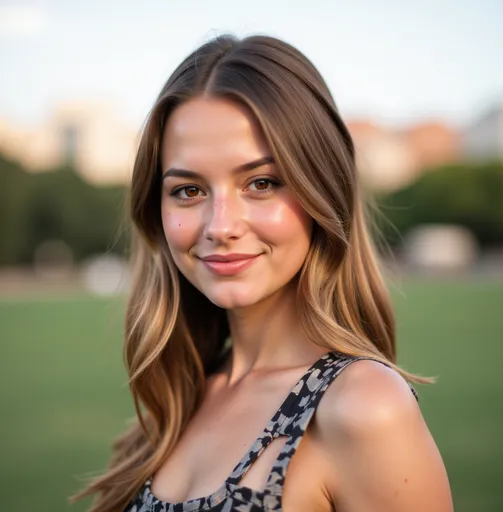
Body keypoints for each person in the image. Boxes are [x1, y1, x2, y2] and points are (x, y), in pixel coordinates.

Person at [74, 34, 453, 511]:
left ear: (323, 190)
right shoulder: (181, 399)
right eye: (188, 190)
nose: (221, 226)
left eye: (261, 183)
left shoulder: (362, 407)